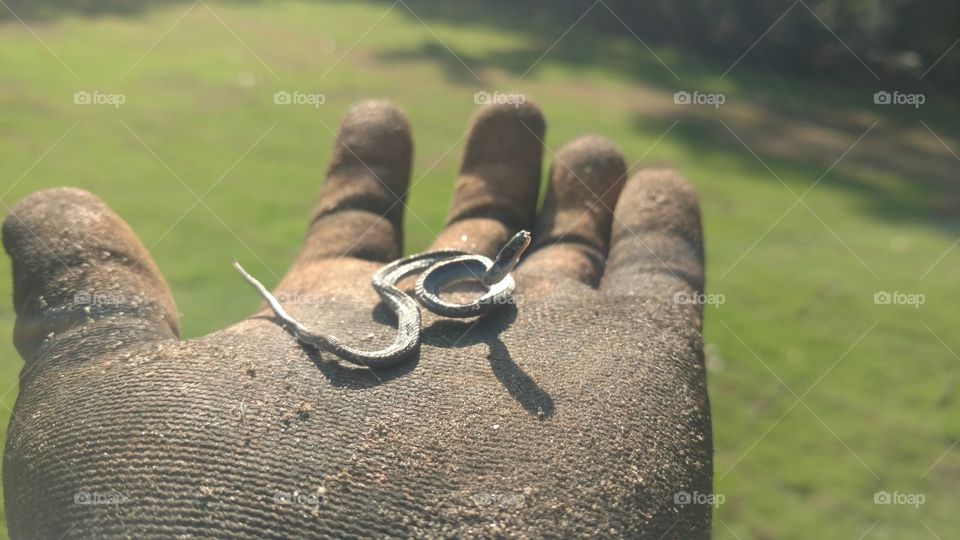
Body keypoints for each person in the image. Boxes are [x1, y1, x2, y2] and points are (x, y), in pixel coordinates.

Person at [2, 100, 712, 538]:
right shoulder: (437, 301)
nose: (515, 253)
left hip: (425, 297)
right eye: (515, 252)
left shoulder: (477, 295)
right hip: (409, 299)